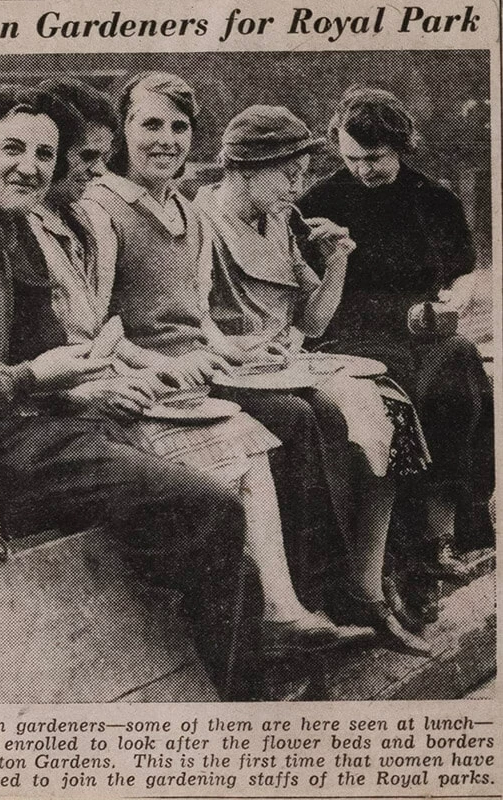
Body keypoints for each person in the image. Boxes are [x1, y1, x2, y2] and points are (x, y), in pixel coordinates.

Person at [0, 84, 260, 699]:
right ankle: (236, 713)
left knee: (220, 528)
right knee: (213, 511)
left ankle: (223, 689)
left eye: (44, 154)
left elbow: (42, 351)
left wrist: (79, 385)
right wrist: (37, 379)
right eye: (13, 149)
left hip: (38, 425)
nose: (30, 167)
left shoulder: (12, 225)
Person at [80, 71, 424, 653]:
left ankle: (355, 586)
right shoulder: (102, 210)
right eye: (150, 125)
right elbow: (98, 323)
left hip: (207, 368)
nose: (166, 140)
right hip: (153, 382)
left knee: (358, 404)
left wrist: (232, 349)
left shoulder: (184, 212)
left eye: (180, 127)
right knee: (293, 415)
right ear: (122, 133)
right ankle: (311, 600)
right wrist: (171, 361)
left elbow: (200, 317)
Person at [195, 104, 431, 652]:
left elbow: (313, 321)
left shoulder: (280, 218)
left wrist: (337, 261)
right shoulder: (203, 219)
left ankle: (368, 586)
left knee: (390, 403)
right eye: (288, 173)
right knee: (318, 418)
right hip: (235, 370)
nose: (299, 185)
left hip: (287, 361)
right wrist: (244, 350)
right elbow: (193, 317)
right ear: (245, 168)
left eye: (302, 171)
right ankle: (325, 594)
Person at [299, 86, 495, 589]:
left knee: (458, 370)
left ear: (402, 146)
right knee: (401, 385)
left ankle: (440, 536)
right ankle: (395, 547)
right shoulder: (318, 201)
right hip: (348, 334)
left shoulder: (435, 199)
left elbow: (462, 274)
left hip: (423, 329)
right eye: (351, 158)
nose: (363, 170)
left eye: (375, 159)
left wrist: (459, 298)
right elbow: (304, 293)